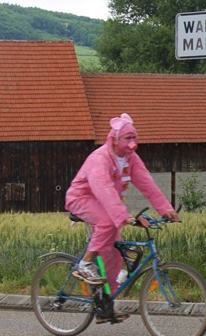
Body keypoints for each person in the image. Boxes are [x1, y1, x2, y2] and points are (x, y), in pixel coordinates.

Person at [65, 113, 179, 297]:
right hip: (81, 199)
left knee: (112, 255)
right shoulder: (100, 158)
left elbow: (147, 184)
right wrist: (122, 215)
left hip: (108, 206)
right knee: (108, 221)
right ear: (115, 140)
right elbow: (104, 189)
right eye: (128, 138)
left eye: (135, 137)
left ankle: (106, 304)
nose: (133, 142)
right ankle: (84, 265)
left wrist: (166, 209)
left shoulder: (130, 158)